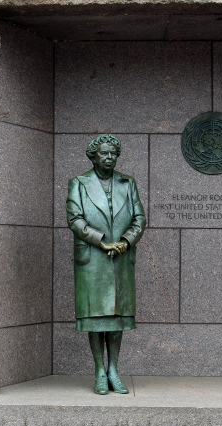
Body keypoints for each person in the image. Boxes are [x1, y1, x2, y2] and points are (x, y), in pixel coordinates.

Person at [66, 134, 146, 395]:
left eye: (114, 153)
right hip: (93, 260)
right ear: (94, 156)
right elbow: (75, 220)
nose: (110, 158)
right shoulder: (78, 183)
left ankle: (114, 369)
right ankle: (100, 370)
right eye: (104, 153)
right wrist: (102, 242)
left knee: (116, 318)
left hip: (121, 258)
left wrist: (126, 241)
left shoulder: (128, 183)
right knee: (96, 318)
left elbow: (139, 218)